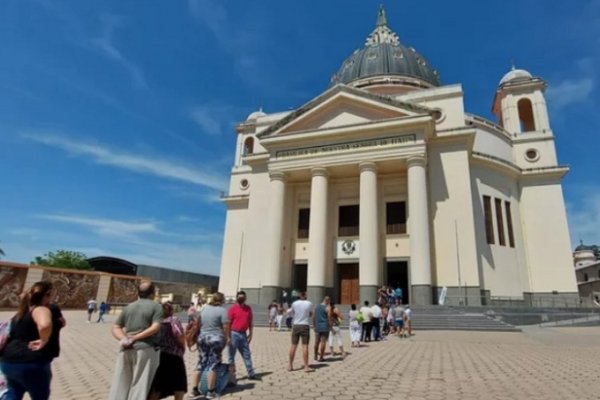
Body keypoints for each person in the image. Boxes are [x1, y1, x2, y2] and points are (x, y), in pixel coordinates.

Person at [108, 281, 163, 400]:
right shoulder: (156, 306)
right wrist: (136, 338)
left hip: (126, 348)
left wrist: (125, 338)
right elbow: (155, 327)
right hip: (145, 348)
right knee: (140, 383)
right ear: (153, 293)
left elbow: (115, 327)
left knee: (121, 382)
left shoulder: (129, 306)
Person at [0, 281, 55, 400]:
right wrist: (44, 340)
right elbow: (45, 325)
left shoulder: (20, 313)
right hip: (31, 363)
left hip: (8, 362)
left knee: (12, 394)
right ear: (47, 295)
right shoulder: (40, 309)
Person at [149, 302, 187, 400]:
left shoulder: (155, 321)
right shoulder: (173, 320)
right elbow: (178, 335)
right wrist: (183, 347)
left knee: (158, 384)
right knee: (179, 383)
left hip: (159, 354)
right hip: (174, 355)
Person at [196, 292, 230, 399]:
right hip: (215, 339)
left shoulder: (205, 308)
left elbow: (199, 322)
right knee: (213, 364)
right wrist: (227, 337)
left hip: (202, 338)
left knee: (201, 363)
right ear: (222, 300)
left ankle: (194, 390)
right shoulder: (222, 310)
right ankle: (211, 392)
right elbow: (225, 327)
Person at [227, 291, 260, 381]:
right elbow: (228, 324)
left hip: (243, 334)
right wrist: (228, 336)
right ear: (237, 298)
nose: (241, 298)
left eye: (243, 297)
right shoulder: (232, 309)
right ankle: (231, 377)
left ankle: (251, 373)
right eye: (240, 297)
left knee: (247, 354)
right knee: (231, 356)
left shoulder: (248, 308)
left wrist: (251, 334)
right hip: (233, 334)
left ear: (245, 298)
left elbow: (250, 322)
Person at [287, 291, 313, 372]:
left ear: (299, 295)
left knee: (293, 346)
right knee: (305, 346)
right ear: (305, 296)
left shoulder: (294, 303)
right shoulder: (309, 303)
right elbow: (311, 314)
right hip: (305, 325)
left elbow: (293, 312)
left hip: (296, 325)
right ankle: (306, 367)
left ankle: (290, 365)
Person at [313, 296, 330, 362]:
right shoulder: (327, 308)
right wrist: (330, 326)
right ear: (327, 301)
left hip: (317, 326)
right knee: (323, 342)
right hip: (324, 327)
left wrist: (314, 325)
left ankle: (315, 356)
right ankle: (321, 357)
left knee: (316, 342)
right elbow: (328, 318)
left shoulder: (316, 307)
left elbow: (313, 317)